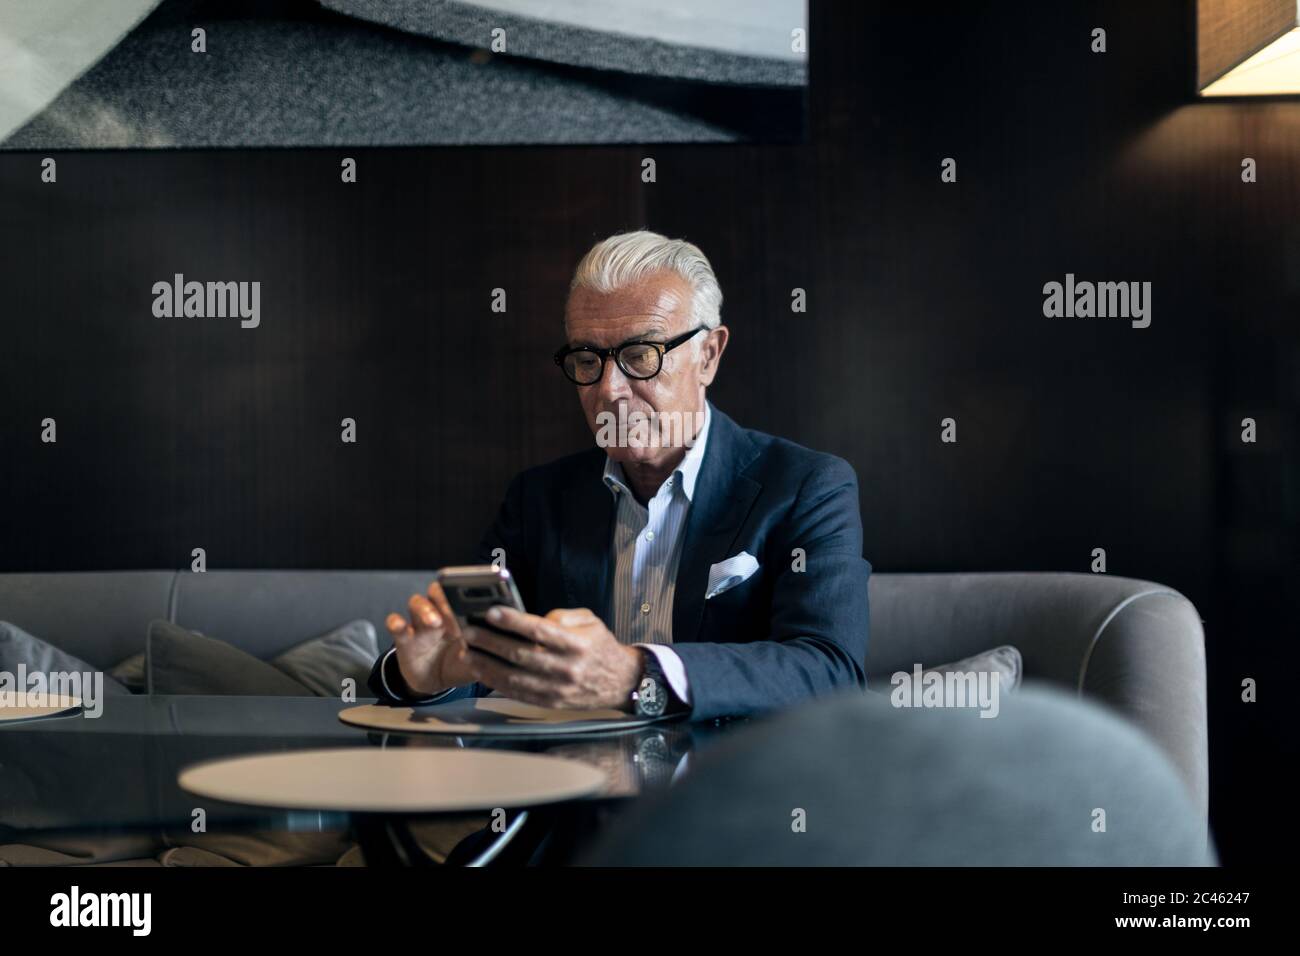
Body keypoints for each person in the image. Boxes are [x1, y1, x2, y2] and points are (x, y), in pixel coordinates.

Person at [369, 230, 870, 721]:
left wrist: (635, 674)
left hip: (731, 790)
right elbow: (491, 662)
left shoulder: (807, 486)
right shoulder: (538, 499)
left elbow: (829, 669)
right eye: (588, 359)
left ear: (708, 356)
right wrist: (426, 676)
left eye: (639, 356)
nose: (609, 389)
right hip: (570, 789)